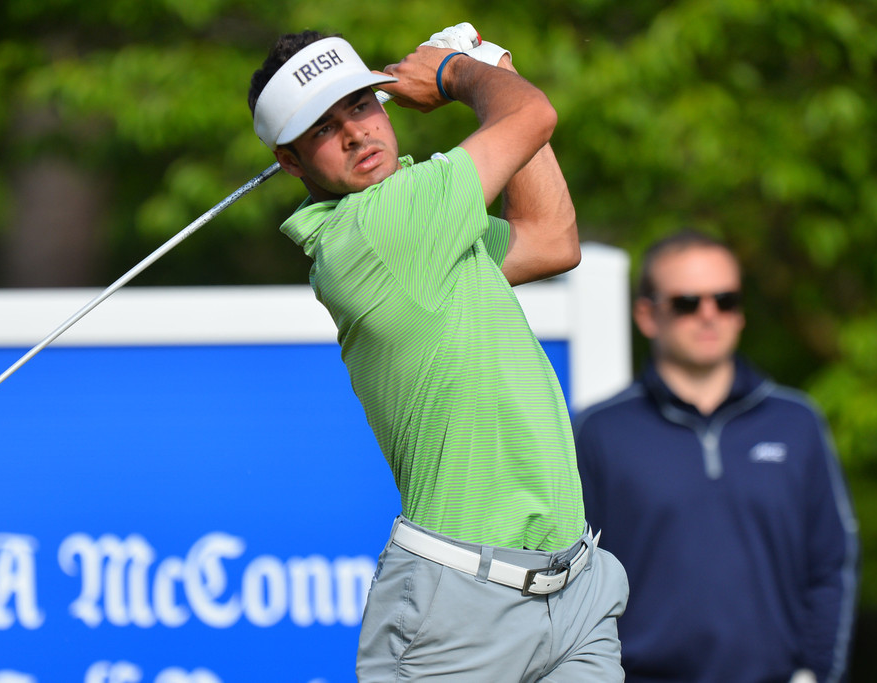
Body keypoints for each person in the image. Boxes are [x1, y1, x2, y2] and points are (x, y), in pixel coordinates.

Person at [247, 24, 628, 682]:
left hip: (574, 587)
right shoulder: (378, 228)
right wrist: (456, 71)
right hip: (458, 607)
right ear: (291, 161)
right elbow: (532, 113)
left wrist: (494, 64)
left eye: (361, 106)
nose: (356, 134)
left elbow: (551, 238)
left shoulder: (429, 222)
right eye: (322, 130)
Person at [573, 230, 860, 683]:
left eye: (725, 300)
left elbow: (831, 565)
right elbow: (573, 584)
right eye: (688, 302)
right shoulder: (599, 431)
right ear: (647, 315)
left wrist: (819, 673)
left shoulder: (797, 422)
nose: (709, 315)